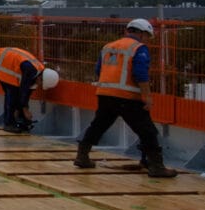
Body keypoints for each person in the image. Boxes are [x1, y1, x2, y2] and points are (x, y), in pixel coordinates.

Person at [74, 18, 176, 178]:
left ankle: (82, 156)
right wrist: (147, 96)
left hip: (105, 94)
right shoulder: (138, 48)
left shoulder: (108, 47)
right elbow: (140, 74)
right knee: (147, 131)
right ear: (141, 33)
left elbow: (98, 69)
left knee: (98, 125)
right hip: (127, 97)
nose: (147, 39)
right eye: (147, 36)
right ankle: (156, 166)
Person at [0, 46, 55, 133]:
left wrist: (23, 108)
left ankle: (19, 119)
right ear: (41, 78)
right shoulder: (30, 70)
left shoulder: (38, 71)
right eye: (41, 84)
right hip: (3, 62)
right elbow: (23, 90)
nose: (40, 86)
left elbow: (26, 93)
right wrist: (25, 110)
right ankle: (9, 124)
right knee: (11, 95)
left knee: (17, 96)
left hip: (7, 59)